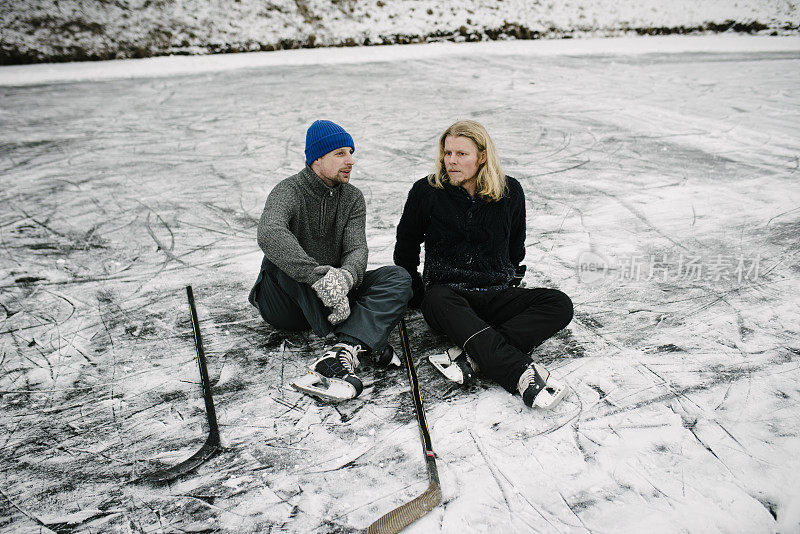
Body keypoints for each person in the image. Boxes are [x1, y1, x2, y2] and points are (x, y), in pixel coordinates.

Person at [393, 120, 574, 409]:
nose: (450, 161)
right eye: (447, 153)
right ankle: (517, 372)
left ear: (483, 156)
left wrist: (507, 282)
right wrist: (418, 295)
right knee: (438, 298)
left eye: (461, 154)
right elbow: (405, 249)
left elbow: (516, 248)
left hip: (495, 294)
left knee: (559, 303)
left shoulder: (510, 191)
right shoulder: (426, 191)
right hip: (448, 297)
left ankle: (473, 357)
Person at [249, 120, 412, 402]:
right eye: (340, 154)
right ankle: (363, 335)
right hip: (286, 303)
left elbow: (356, 250)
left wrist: (345, 278)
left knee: (397, 277)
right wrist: (319, 277)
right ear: (317, 159)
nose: (350, 160)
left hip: (335, 296)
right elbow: (269, 232)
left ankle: (344, 347)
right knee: (281, 259)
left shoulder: (352, 198)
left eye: (350, 152)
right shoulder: (288, 191)